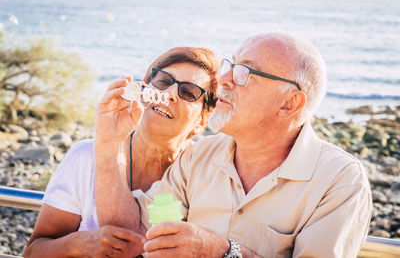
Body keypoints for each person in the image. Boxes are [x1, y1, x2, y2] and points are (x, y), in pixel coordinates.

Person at [95, 32, 372, 258]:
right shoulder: (198, 158)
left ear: (290, 103)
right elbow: (130, 236)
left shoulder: (340, 181)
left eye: (245, 72)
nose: (223, 80)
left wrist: (225, 252)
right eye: (232, 65)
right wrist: (110, 141)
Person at [24, 46, 220, 257]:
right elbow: (34, 251)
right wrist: (78, 245)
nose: (170, 93)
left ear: (202, 121)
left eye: (188, 92)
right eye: (163, 81)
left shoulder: (203, 175)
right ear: (143, 91)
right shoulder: (86, 157)